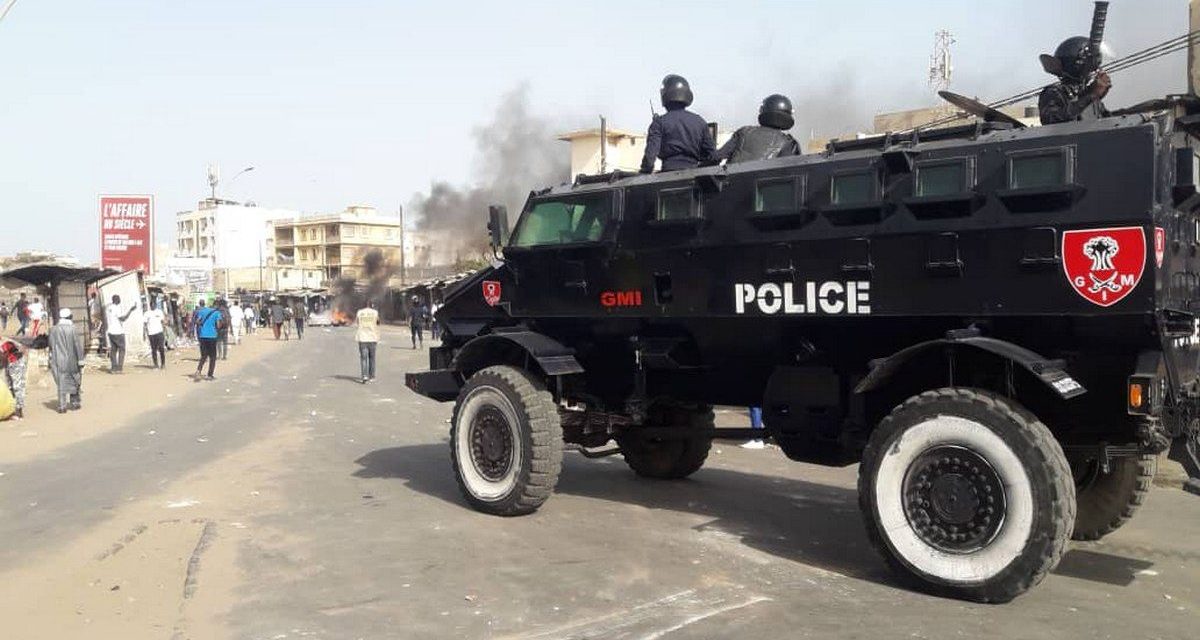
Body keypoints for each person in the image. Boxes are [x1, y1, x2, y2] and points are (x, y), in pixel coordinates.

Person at [639, 74, 715, 173]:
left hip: (667, 174)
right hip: (695, 176)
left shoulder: (659, 123)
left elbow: (650, 158)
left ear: (665, 95)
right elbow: (712, 155)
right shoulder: (700, 122)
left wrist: (644, 172)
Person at [1038, 36, 1111, 125]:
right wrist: (1092, 95)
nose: (1095, 71)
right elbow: (1052, 119)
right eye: (1092, 67)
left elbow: (1110, 120)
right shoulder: (1054, 92)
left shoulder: (1088, 96)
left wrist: (1132, 111)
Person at [714, 94, 801, 164]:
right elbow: (791, 173)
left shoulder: (744, 132)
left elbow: (716, 157)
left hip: (731, 184)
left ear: (763, 111)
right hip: (764, 185)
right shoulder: (789, 143)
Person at [48, 308, 85, 413]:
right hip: (71, 360)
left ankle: (62, 406)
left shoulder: (53, 329)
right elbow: (77, 345)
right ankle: (75, 402)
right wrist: (81, 360)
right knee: (75, 380)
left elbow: (51, 345)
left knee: (61, 383)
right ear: (70, 317)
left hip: (58, 361)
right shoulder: (72, 329)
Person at [105, 294, 136, 373]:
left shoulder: (109, 308)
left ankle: (113, 368)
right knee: (122, 349)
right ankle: (119, 368)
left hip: (110, 332)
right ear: (116, 300)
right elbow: (123, 319)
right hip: (118, 331)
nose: (120, 300)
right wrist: (130, 310)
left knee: (113, 350)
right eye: (119, 299)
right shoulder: (116, 308)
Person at [193, 299, 223, 380]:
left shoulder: (202, 311)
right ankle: (209, 375)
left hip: (202, 336)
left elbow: (197, 321)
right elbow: (218, 325)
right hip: (212, 336)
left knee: (203, 356)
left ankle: (198, 371)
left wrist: (203, 326)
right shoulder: (217, 313)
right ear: (218, 306)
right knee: (213, 357)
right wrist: (218, 326)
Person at [1, 336, 26, 419]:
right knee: (10, 386)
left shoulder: (4, 342)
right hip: (9, 362)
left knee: (17, 386)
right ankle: (11, 408)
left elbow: (3, 356)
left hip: (16, 362)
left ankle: (19, 409)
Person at [356, 301, 380, 384]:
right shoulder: (375, 312)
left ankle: (364, 376)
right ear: (371, 305)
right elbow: (378, 322)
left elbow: (358, 322)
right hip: (372, 337)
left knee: (363, 358)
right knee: (372, 358)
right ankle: (372, 376)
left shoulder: (360, 312)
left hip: (362, 338)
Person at [144, 299, 167, 369]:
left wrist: (165, 330)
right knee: (153, 349)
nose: (153, 306)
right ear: (150, 306)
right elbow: (144, 323)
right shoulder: (147, 313)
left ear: (156, 305)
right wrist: (144, 333)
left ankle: (163, 364)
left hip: (159, 332)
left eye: (154, 305)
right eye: (151, 305)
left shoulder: (159, 312)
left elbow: (163, 321)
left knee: (161, 348)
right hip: (151, 333)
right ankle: (155, 364)